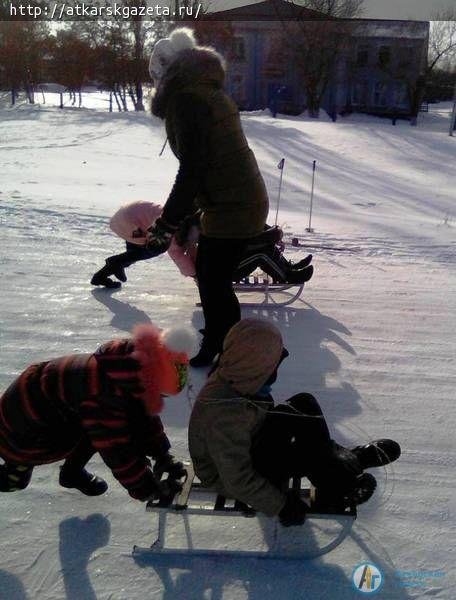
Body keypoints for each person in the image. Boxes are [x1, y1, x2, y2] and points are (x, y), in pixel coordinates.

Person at [188, 319, 401, 525]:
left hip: (251, 445)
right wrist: (282, 505)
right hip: (226, 475)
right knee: (305, 452)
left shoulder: (238, 375)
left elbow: (256, 420)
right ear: (256, 366)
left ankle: (339, 463)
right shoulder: (225, 415)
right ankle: (340, 482)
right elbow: (237, 479)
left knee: (303, 404)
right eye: (272, 365)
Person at [146, 27, 270, 368]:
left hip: (235, 206)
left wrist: (167, 223)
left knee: (213, 281)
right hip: (237, 199)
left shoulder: (187, 101)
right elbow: (208, 165)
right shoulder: (205, 91)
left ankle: (231, 352)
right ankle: (221, 344)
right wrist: (187, 218)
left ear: (166, 75)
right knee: (212, 277)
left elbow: (193, 170)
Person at [0, 323, 194, 502]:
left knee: (106, 425)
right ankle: (25, 474)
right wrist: (145, 488)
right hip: (23, 425)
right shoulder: (103, 395)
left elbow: (142, 415)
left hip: (59, 412)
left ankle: (71, 473)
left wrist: (161, 455)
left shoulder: (129, 368)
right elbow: (116, 449)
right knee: (15, 480)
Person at [90, 200, 313, 288]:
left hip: (133, 215)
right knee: (146, 253)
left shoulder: (192, 219)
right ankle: (288, 275)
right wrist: (197, 275)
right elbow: (179, 256)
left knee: (140, 254)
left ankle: (288, 268)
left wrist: (268, 233)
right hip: (128, 223)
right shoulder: (175, 239)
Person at [90, 200, 198, 288]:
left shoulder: (180, 217)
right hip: (128, 222)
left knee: (133, 254)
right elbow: (180, 258)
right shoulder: (171, 237)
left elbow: (191, 248)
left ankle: (102, 275)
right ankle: (115, 262)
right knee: (152, 249)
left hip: (132, 215)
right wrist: (195, 274)